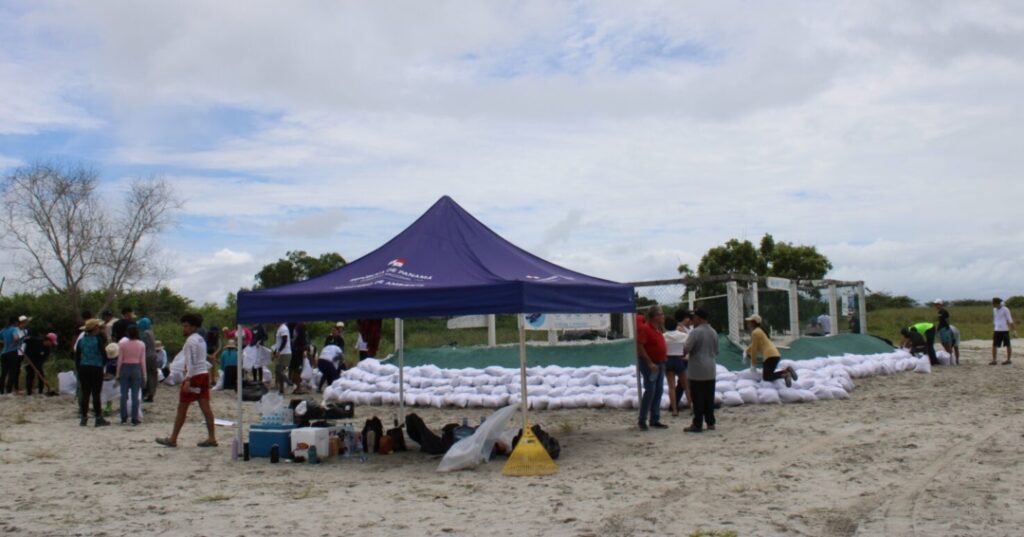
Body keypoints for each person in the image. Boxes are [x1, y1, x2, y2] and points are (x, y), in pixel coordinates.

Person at [156, 313, 217, 448]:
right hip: (203, 374)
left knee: (182, 407)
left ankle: (173, 438)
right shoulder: (201, 339)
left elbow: (191, 361)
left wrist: (188, 379)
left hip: (194, 376)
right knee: (205, 407)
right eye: (183, 326)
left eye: (186, 326)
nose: (184, 329)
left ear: (193, 327)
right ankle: (212, 437)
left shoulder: (190, 341)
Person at [683, 308, 718, 433]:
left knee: (697, 398)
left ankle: (697, 424)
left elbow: (686, 348)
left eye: (694, 317)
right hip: (711, 368)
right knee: (709, 397)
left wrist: (682, 352)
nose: (692, 320)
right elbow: (716, 351)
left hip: (697, 369)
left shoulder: (695, 332)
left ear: (699, 318)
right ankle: (710, 422)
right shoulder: (713, 332)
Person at [635, 306, 668, 431]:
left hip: (660, 363)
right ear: (655, 316)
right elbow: (640, 346)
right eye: (661, 314)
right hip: (650, 364)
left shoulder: (658, 329)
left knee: (658, 390)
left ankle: (654, 418)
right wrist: (649, 363)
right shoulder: (646, 329)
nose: (663, 316)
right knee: (650, 390)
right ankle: (642, 419)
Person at [744, 315, 797, 387]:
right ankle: (787, 370)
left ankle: (785, 374)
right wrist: (746, 350)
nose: (748, 324)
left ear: (753, 323)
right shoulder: (759, 331)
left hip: (770, 356)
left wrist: (753, 364)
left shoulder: (755, 332)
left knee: (766, 377)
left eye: (749, 322)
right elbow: (754, 345)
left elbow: (754, 349)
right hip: (775, 355)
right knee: (769, 375)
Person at [75, 319, 110, 427]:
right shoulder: (98, 340)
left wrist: (79, 369)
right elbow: (104, 355)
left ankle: (84, 417)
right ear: (95, 329)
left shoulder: (81, 341)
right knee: (96, 393)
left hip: (84, 367)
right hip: (96, 367)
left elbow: (77, 357)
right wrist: (103, 365)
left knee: (85, 393)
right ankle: (98, 417)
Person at [117, 326, 146, 425]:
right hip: (136, 367)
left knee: (123, 394)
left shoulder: (122, 344)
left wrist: (117, 372)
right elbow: (142, 361)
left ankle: (123, 417)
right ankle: (134, 417)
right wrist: (144, 374)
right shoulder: (141, 344)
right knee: (135, 395)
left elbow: (120, 360)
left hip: (125, 367)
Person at [663, 316, 688, 417]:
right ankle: (692, 405)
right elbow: (686, 347)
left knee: (671, 387)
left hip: (668, 360)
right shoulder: (683, 335)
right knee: (686, 385)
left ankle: (674, 410)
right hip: (679, 359)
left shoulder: (663, 336)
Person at [0, 316, 23, 395]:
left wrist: (4, 343)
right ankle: (8, 390)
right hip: (12, 353)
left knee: (3, 372)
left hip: (3, 353)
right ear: (15, 322)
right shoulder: (14, 329)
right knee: (12, 372)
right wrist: (14, 344)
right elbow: (16, 338)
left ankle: (1, 390)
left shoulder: (3, 330)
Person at [138, 317, 158, 402]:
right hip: (153, 355)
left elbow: (143, 346)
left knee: (147, 375)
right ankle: (151, 393)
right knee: (153, 375)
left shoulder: (144, 334)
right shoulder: (151, 332)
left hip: (147, 356)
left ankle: (146, 393)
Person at [991, 297, 1015, 365]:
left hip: (1004, 330)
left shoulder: (1005, 309)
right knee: (994, 345)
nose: (992, 305)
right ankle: (994, 360)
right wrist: (994, 327)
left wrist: (1014, 330)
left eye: (993, 303)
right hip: (997, 330)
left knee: (1008, 345)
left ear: (997, 303)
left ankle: (1008, 360)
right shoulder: (994, 309)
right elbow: (995, 319)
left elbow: (1010, 320)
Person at [272, 322, 292, 394]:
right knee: (278, 371)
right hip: (280, 353)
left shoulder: (284, 328)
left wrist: (279, 351)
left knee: (279, 371)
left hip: (285, 353)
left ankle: (290, 384)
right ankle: (281, 389)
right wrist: (275, 352)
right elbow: (278, 343)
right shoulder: (279, 329)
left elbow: (284, 341)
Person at [290, 322, 309, 394]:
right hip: (298, 352)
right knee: (298, 370)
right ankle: (298, 387)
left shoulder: (296, 327)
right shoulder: (301, 328)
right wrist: (305, 350)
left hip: (295, 351)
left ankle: (296, 387)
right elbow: (303, 341)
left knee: (295, 370)